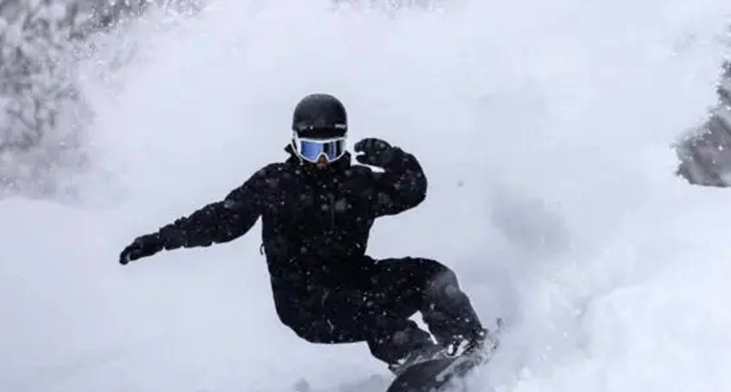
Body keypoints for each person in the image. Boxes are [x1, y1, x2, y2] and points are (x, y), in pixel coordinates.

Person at [118, 93, 490, 373]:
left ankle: (466, 342)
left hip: (356, 278)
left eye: (331, 148)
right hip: (308, 303)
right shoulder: (276, 183)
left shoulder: (355, 183)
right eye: (313, 150)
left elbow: (411, 191)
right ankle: (417, 359)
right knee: (371, 311)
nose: (323, 160)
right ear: (296, 143)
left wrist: (394, 160)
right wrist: (160, 239)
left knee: (430, 275)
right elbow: (221, 220)